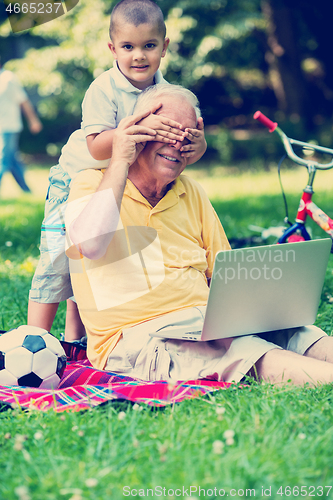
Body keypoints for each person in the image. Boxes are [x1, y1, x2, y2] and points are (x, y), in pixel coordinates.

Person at [65, 83, 333, 386]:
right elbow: (90, 244)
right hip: (138, 338)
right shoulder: (93, 183)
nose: (177, 144)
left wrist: (258, 313)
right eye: (165, 132)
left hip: (205, 322)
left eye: (187, 135)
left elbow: (226, 275)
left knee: (299, 333)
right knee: (244, 350)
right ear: (137, 129)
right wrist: (119, 160)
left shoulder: (191, 191)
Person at [27, 0, 207, 341]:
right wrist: (136, 127)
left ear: (164, 47)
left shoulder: (165, 93)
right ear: (112, 49)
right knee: (56, 260)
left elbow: (180, 150)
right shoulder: (103, 89)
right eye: (128, 47)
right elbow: (95, 146)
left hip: (118, 182)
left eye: (148, 46)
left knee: (93, 265)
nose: (138, 56)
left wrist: (198, 147)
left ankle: (75, 340)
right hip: (73, 181)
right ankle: (34, 338)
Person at [0, 61, 42, 193]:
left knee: (3, 159)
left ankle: (26, 191)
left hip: (9, 126)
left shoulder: (8, 78)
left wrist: (33, 120)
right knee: (12, 160)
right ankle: (26, 190)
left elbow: (23, 100)